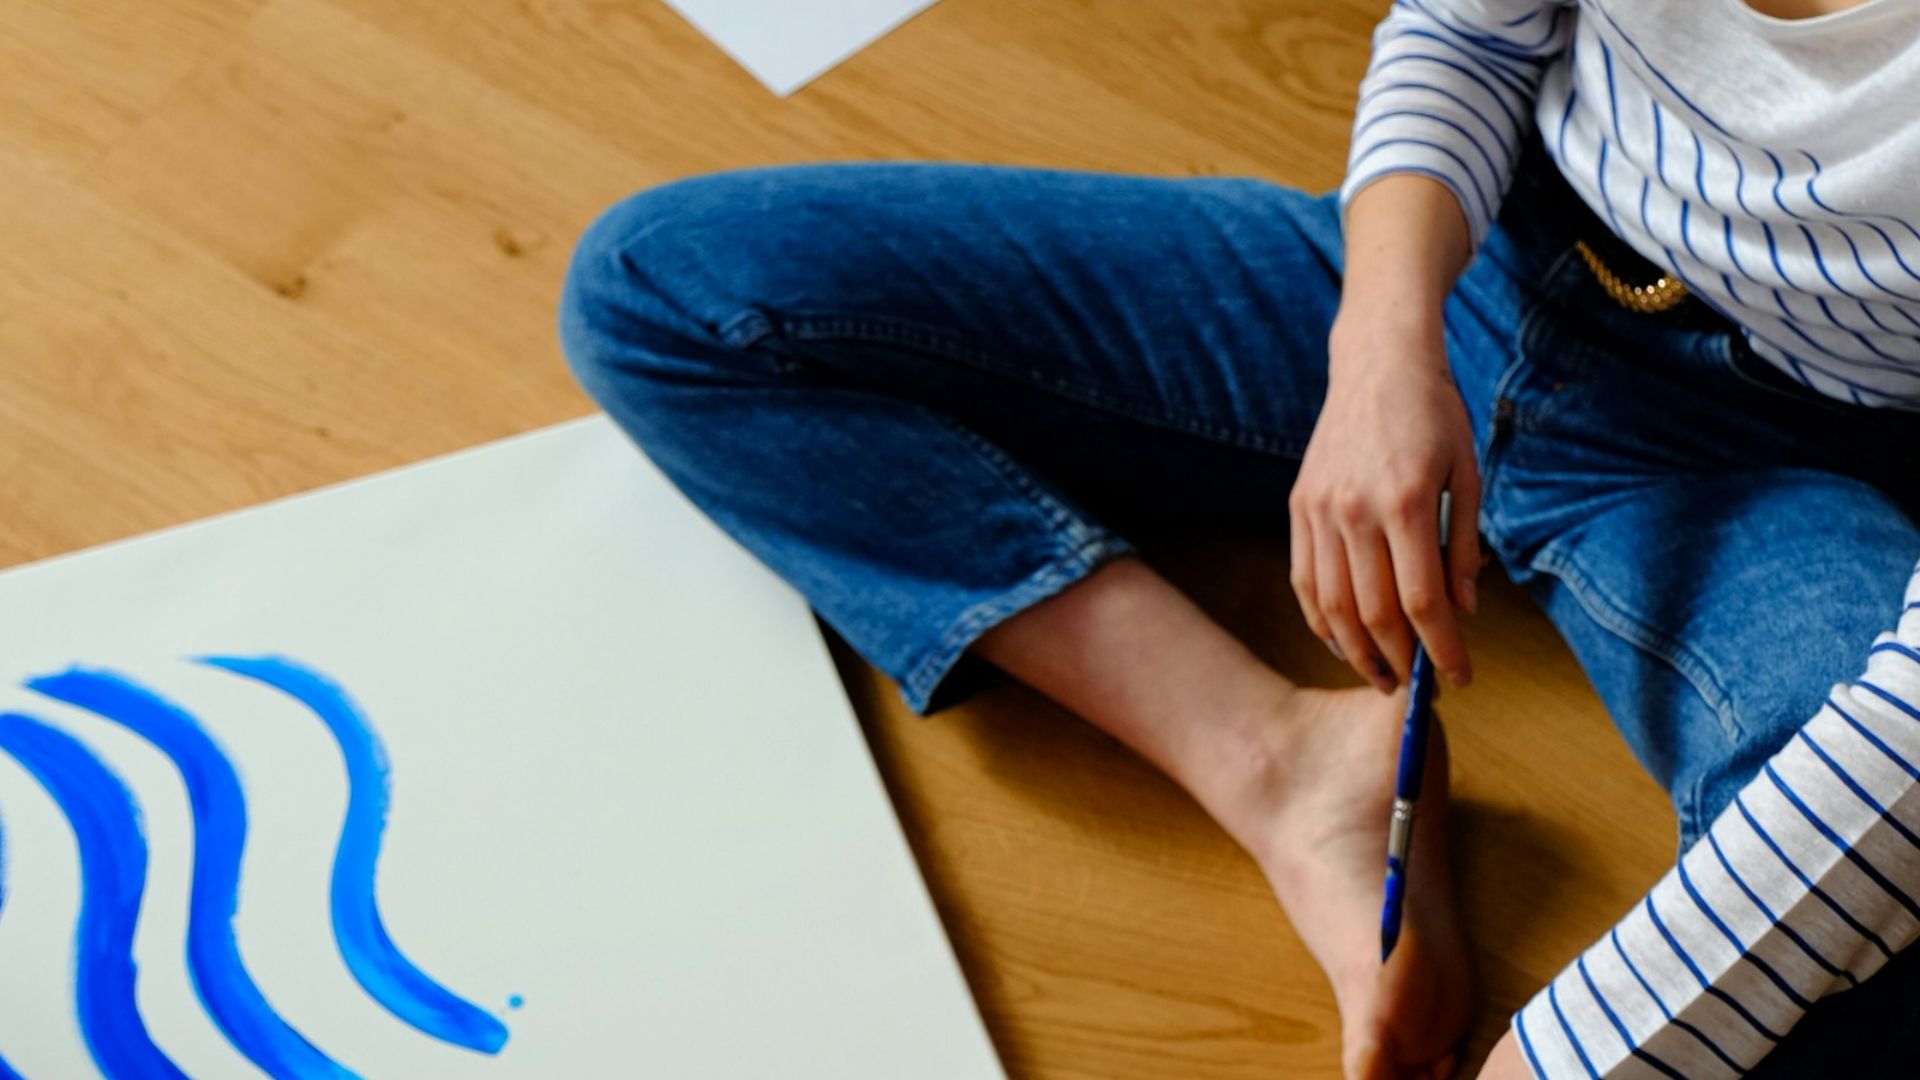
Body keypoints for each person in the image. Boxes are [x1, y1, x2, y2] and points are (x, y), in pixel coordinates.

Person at [557, 0, 1920, 1075]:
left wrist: (1561, 1059)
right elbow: (1465, 29)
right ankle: (1279, 764)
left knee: (1867, 928)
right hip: (1471, 267)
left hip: (1773, 449)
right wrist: (1381, 346)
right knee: (668, 293)